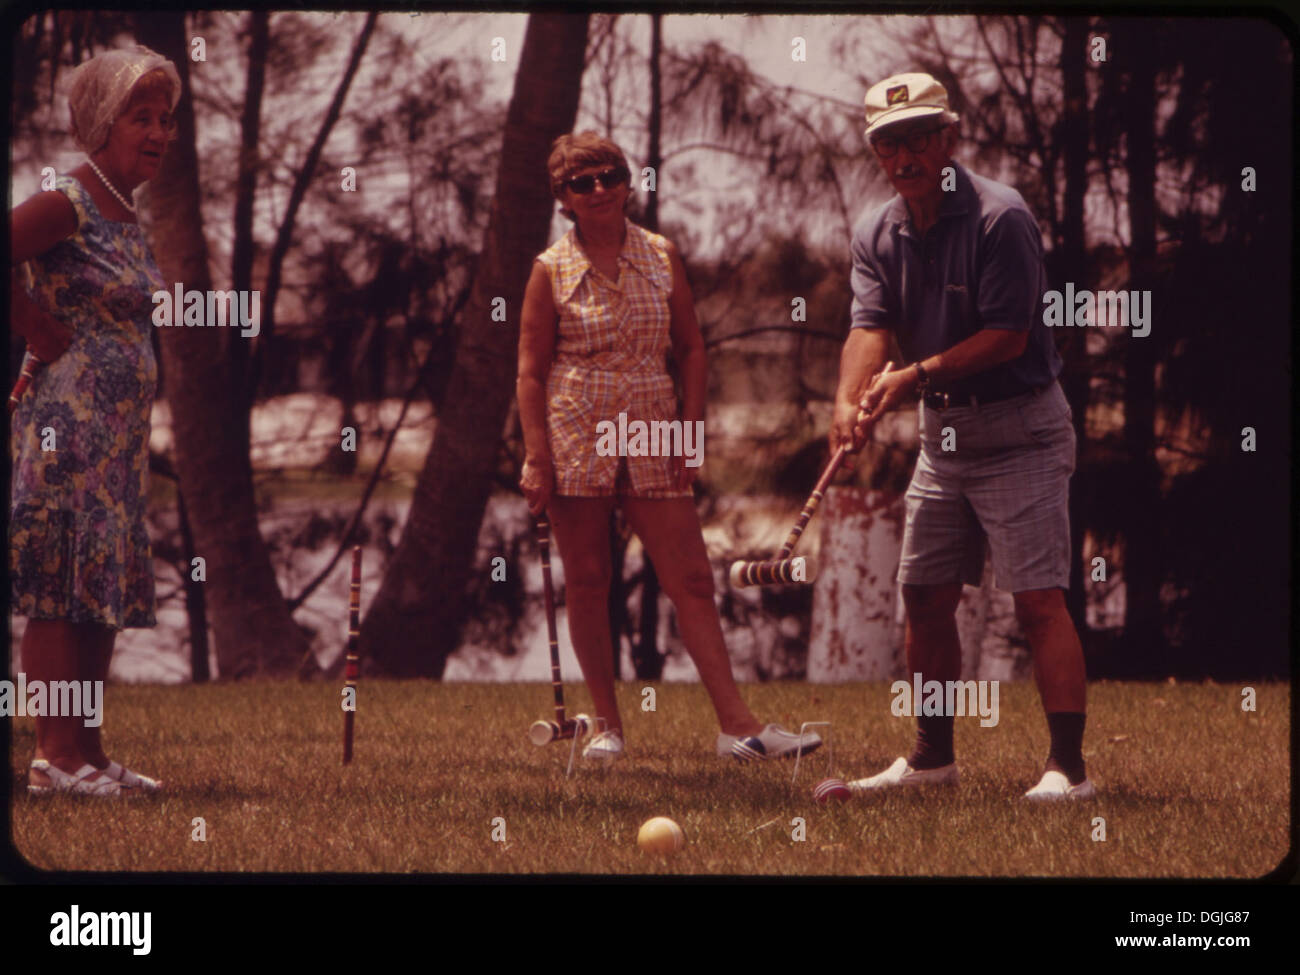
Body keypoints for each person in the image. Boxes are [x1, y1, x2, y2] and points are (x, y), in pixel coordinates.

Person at [517, 131, 821, 763]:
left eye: (610, 176)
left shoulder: (662, 254)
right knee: (590, 581)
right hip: (576, 427)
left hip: (655, 423)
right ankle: (607, 727)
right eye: (582, 182)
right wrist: (536, 455)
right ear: (563, 199)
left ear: (629, 183)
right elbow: (529, 372)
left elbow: (691, 349)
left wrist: (690, 428)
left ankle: (738, 727)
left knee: (690, 578)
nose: (599, 189)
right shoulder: (549, 269)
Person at [832, 74, 1095, 800]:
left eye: (919, 135)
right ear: (877, 152)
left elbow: (1009, 338)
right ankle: (931, 761)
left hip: (1022, 429)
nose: (904, 153)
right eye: (889, 141)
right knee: (922, 593)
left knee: (1038, 598)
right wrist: (846, 400)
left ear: (949, 137)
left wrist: (909, 377)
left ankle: (1067, 771)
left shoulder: (999, 218)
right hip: (944, 436)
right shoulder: (876, 231)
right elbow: (868, 328)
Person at [11, 46, 180, 795]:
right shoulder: (67, 200)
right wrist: (34, 329)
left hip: (114, 440)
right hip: (65, 429)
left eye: (166, 117)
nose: (158, 131)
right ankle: (53, 756)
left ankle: (89, 751)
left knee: (97, 579)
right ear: (103, 122)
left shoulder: (123, 206)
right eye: (141, 116)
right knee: (58, 578)